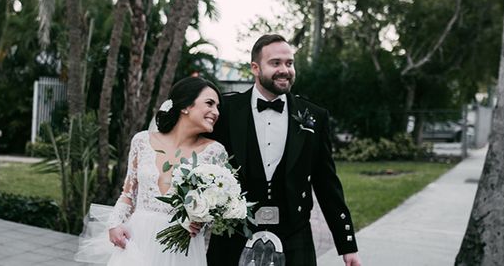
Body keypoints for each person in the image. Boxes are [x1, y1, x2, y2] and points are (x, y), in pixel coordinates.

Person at [207, 34, 361, 266]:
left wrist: (347, 245)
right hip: (233, 234)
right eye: (275, 63)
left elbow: (326, 183)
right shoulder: (225, 110)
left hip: (294, 233)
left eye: (289, 63)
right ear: (255, 68)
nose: (285, 70)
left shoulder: (314, 116)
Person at [76, 76, 228, 266]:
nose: (216, 112)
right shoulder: (142, 141)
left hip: (181, 247)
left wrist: (202, 219)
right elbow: (128, 194)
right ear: (185, 106)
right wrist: (114, 224)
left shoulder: (215, 152)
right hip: (138, 239)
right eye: (210, 103)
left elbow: (215, 203)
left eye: (218, 107)